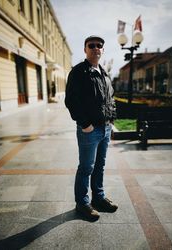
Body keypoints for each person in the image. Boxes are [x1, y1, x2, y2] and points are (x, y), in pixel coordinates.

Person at [65, 35, 118, 220]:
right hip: (89, 130)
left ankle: (99, 198)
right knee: (86, 167)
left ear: (102, 50)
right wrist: (85, 124)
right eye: (92, 45)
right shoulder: (79, 72)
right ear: (85, 49)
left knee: (100, 166)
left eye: (99, 46)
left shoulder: (104, 73)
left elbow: (111, 98)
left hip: (105, 128)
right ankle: (82, 203)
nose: (96, 48)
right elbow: (71, 101)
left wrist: (111, 120)